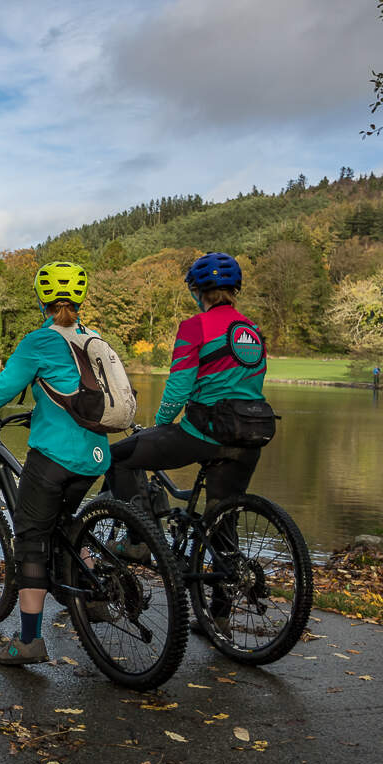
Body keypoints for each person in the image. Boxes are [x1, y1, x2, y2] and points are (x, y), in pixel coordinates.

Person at [0, 261, 110, 666]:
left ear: (41, 298)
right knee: (65, 524)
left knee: (31, 541)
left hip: (54, 456)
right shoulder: (93, 337)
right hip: (96, 454)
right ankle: (97, 595)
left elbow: (1, 391)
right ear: (80, 299)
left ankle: (29, 641)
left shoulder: (39, 341)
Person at [104, 252, 268, 630]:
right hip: (250, 436)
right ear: (234, 290)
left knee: (118, 458)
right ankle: (220, 616)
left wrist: (158, 425)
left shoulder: (195, 326)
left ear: (198, 291)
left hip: (203, 433)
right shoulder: (253, 331)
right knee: (222, 519)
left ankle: (139, 539)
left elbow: (178, 387)